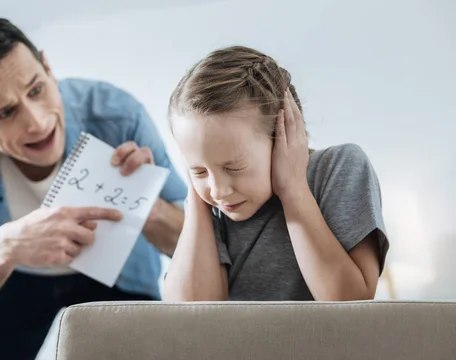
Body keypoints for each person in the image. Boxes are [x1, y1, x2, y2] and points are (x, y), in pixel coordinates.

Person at [0, 18, 187, 360]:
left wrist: (143, 203)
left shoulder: (117, 113)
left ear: (48, 68)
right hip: (14, 274)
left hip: (120, 274)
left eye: (36, 89)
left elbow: (193, 246)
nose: (37, 122)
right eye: (5, 113)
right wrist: (6, 246)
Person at [163, 46, 389, 302]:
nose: (218, 191)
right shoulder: (210, 203)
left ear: (284, 135)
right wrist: (196, 200)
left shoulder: (338, 167)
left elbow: (350, 302)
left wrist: (293, 190)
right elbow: (188, 318)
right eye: (199, 170)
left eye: (234, 167)